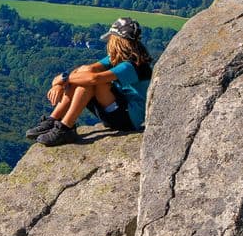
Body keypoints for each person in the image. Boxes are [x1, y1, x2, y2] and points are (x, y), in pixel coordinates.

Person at [30, 18, 154, 147]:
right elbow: (87, 70)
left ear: (117, 40)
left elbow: (94, 79)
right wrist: (62, 81)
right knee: (85, 71)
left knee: (92, 82)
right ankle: (53, 119)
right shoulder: (118, 57)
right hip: (114, 109)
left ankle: (65, 128)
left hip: (127, 120)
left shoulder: (132, 65)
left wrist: (62, 80)